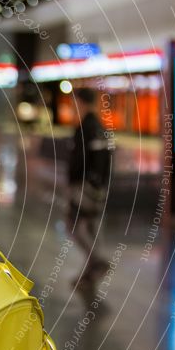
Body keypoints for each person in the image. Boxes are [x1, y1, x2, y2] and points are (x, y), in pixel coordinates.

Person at [68, 88, 112, 287]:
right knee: (90, 227)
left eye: (74, 102)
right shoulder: (99, 127)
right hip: (96, 187)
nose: (72, 106)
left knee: (74, 225)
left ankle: (97, 261)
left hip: (84, 188)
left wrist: (75, 183)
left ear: (81, 102)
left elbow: (80, 160)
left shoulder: (86, 127)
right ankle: (90, 270)